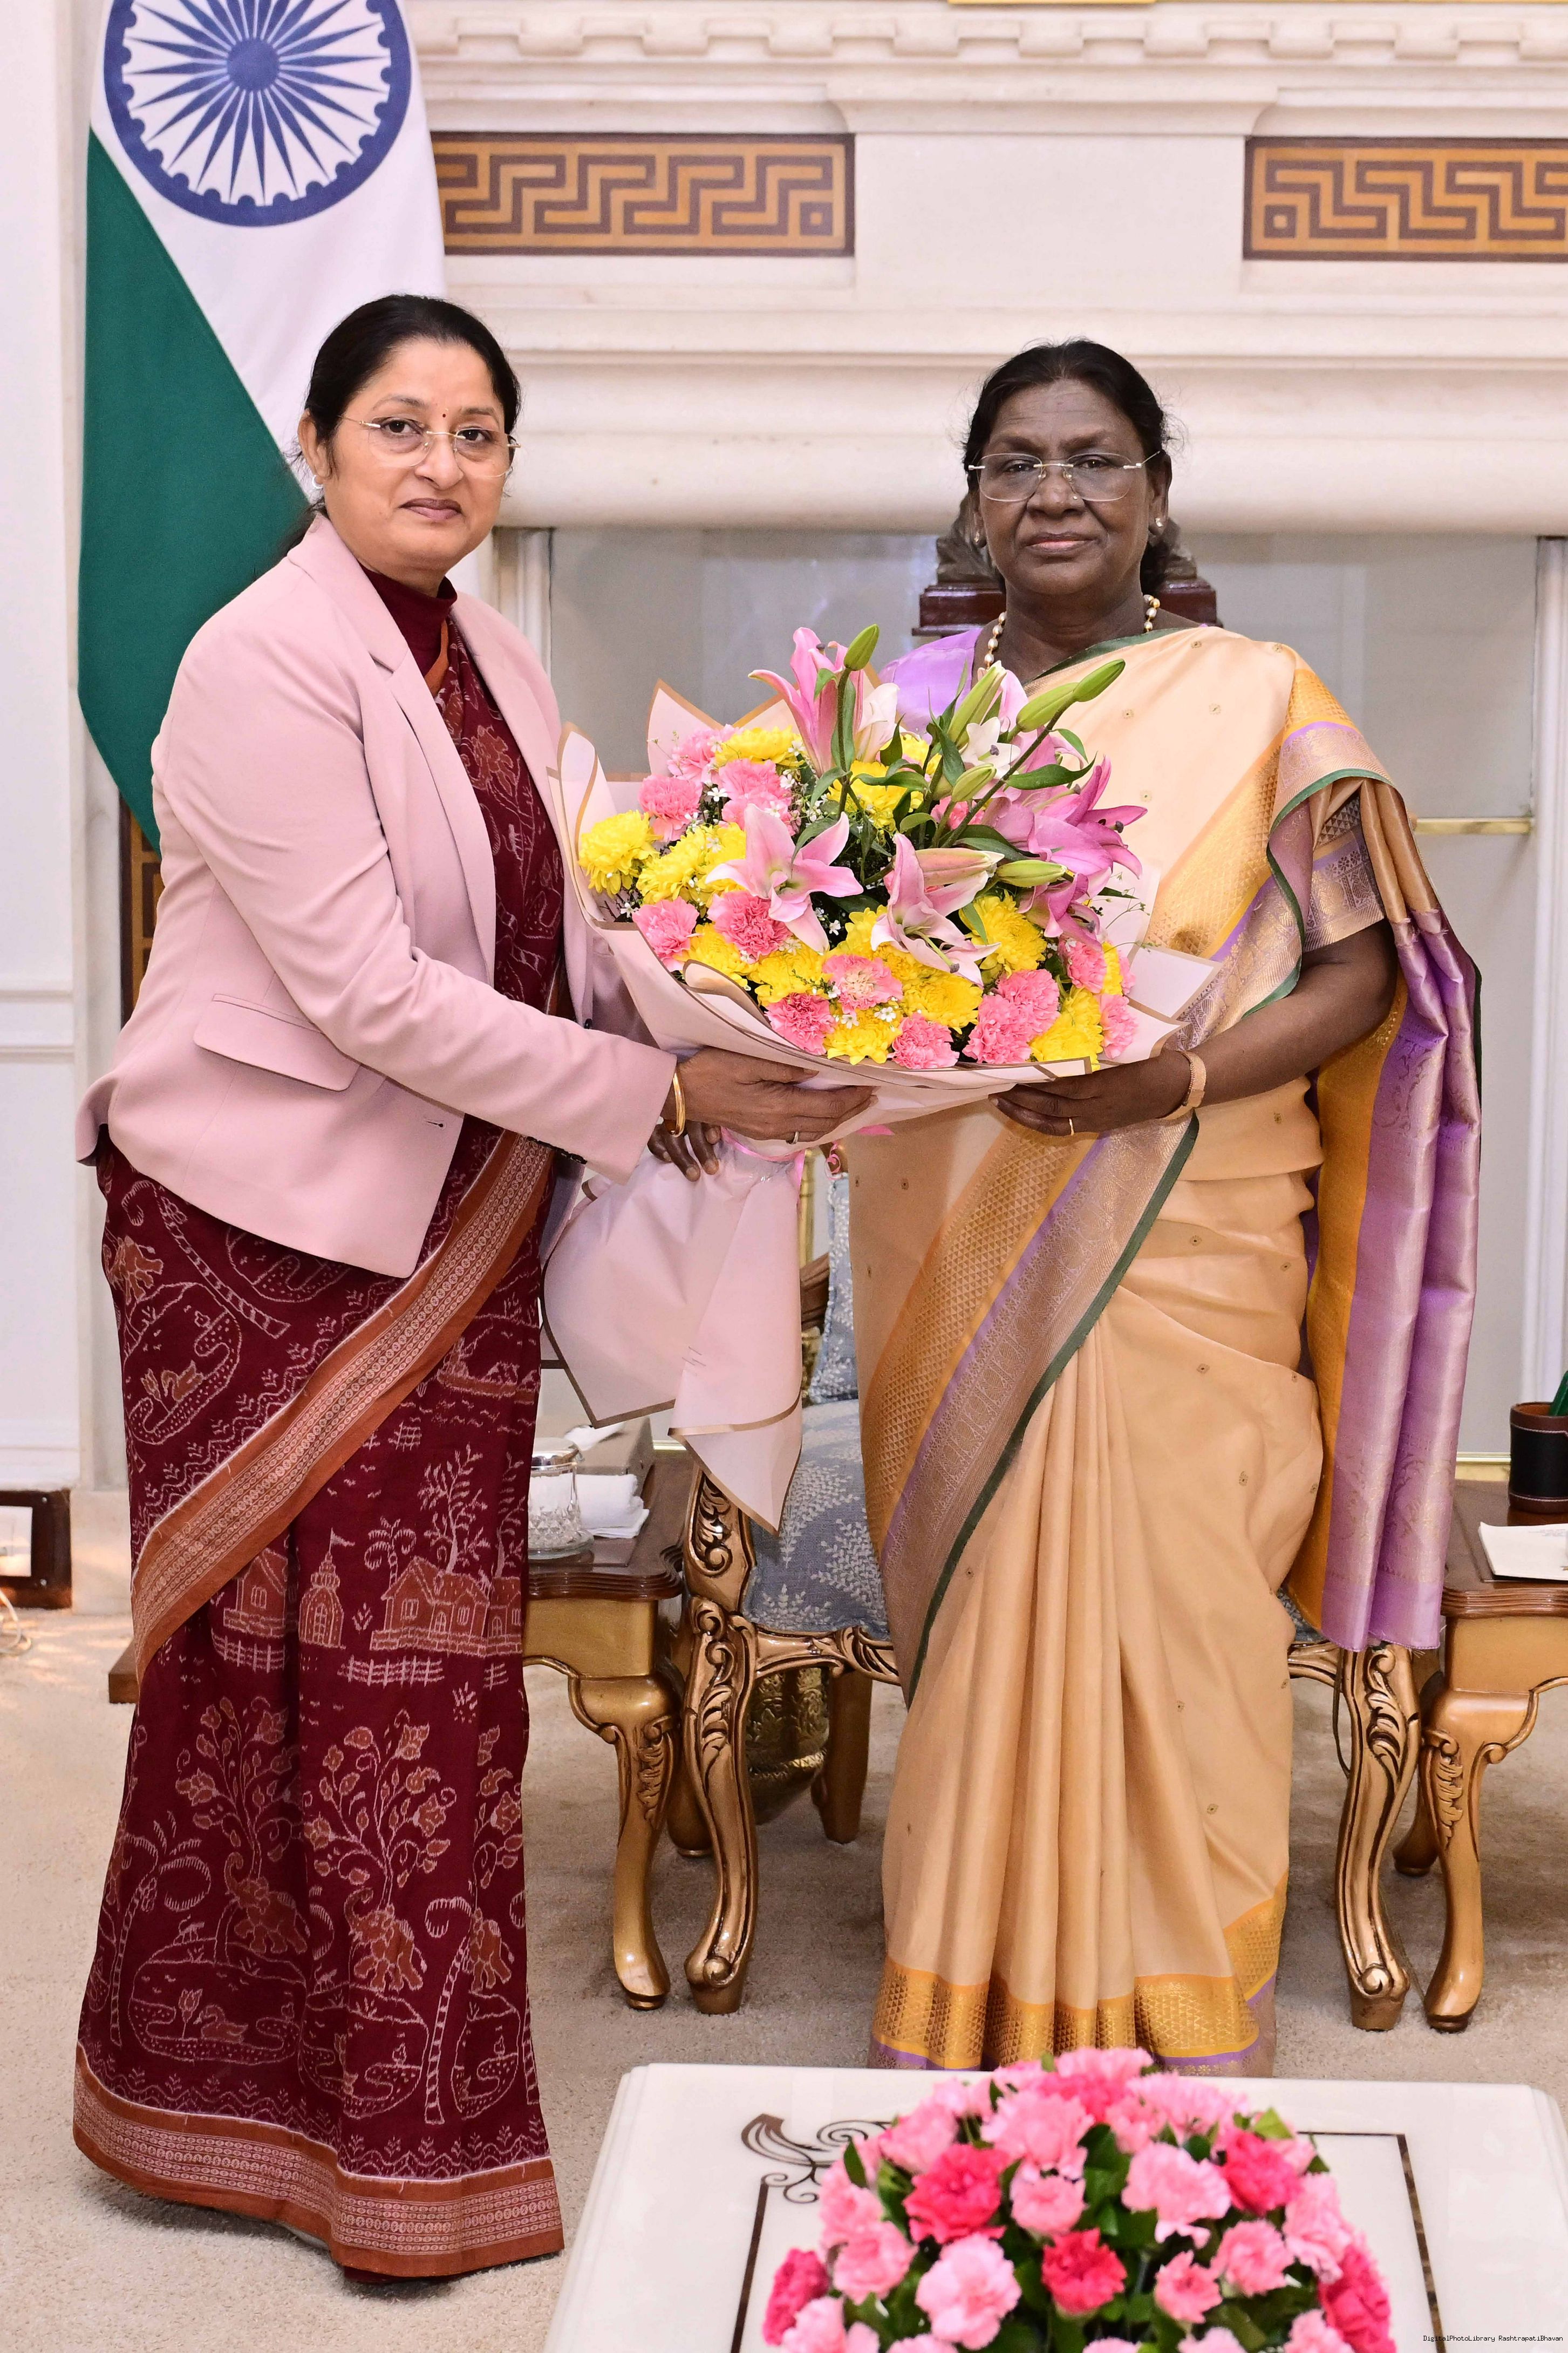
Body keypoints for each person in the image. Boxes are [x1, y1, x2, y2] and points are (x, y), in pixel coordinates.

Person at [72, 293, 868, 2276]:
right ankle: (217, 2109)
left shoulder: (490, 653)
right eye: (402, 426)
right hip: (262, 1225)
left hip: (449, 1211)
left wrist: (767, 1032)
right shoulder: (259, 657)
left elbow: (573, 929)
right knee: (275, 1677)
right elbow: (363, 989)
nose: (442, 463)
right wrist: (654, 1092)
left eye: (478, 432)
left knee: (419, 1687)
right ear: (321, 448)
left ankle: (407, 2137)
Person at [856, 338, 1478, 2075]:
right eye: (1015, 461)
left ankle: (1181, 2013)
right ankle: (970, 1993)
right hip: (955, 1228)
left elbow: (1361, 978)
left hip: (1187, 1219)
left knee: (1188, 1607)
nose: (1052, 492)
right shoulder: (901, 729)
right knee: (988, 1607)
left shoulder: (1262, 698)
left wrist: (1170, 1081)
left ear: (1153, 491)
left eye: (1092, 458)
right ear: (972, 498)